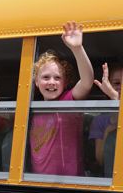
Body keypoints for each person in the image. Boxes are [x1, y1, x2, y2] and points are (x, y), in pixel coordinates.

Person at [29, 21, 94, 176]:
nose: (51, 82)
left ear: (65, 83)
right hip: (36, 181)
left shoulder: (68, 99)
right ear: (36, 82)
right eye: (45, 77)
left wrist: (77, 49)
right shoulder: (31, 108)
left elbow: (87, 81)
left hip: (69, 182)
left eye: (57, 78)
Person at [89, 62, 122, 174]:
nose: (121, 87)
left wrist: (114, 96)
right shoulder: (100, 121)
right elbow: (100, 160)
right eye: (117, 83)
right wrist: (108, 131)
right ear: (109, 86)